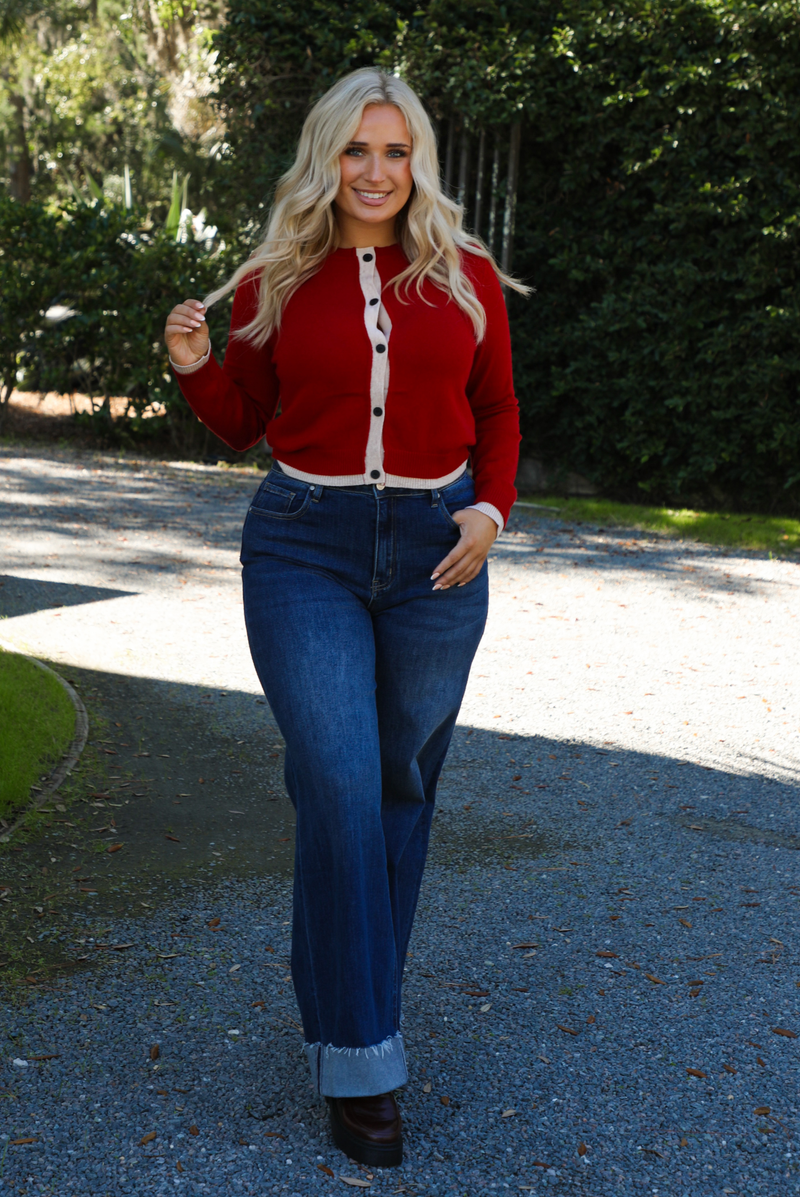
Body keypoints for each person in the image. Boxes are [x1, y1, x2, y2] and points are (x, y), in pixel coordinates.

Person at [164, 66, 528, 1169]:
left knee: (398, 786)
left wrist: (490, 513)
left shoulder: (463, 277)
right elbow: (244, 421)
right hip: (300, 546)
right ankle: (364, 1056)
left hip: (435, 555)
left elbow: (497, 410)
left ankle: (348, 1004)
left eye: (394, 151)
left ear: (415, 162)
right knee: (334, 780)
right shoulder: (271, 277)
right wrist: (193, 370)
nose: (374, 171)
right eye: (355, 151)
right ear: (325, 159)